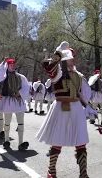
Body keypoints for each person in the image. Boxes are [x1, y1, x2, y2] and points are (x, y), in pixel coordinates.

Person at [36, 41, 91, 178]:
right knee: (57, 140)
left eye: (72, 57)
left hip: (77, 108)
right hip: (61, 108)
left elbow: (85, 94)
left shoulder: (79, 76)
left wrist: (89, 107)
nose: (72, 60)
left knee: (81, 141)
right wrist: (58, 52)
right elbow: (49, 67)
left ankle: (83, 173)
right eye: (69, 57)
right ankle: (51, 170)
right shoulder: (58, 73)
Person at [0, 57, 30, 150]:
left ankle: (21, 142)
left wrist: (20, 92)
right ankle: (6, 140)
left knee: (21, 123)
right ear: (7, 66)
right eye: (10, 65)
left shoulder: (20, 77)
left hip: (18, 101)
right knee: (7, 122)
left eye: (13, 65)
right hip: (8, 101)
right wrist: (3, 62)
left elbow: (26, 87)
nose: (12, 66)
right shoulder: (3, 77)